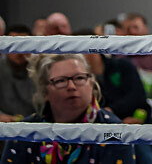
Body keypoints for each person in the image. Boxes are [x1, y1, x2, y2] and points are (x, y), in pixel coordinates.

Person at [1, 54, 135, 163]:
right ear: (45, 92)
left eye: (79, 78)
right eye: (60, 81)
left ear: (92, 84)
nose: (71, 86)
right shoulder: (23, 133)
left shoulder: (115, 132)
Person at [0, 24, 35, 121]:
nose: (19, 50)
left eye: (24, 45)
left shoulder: (40, 69)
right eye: (13, 45)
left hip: (36, 125)